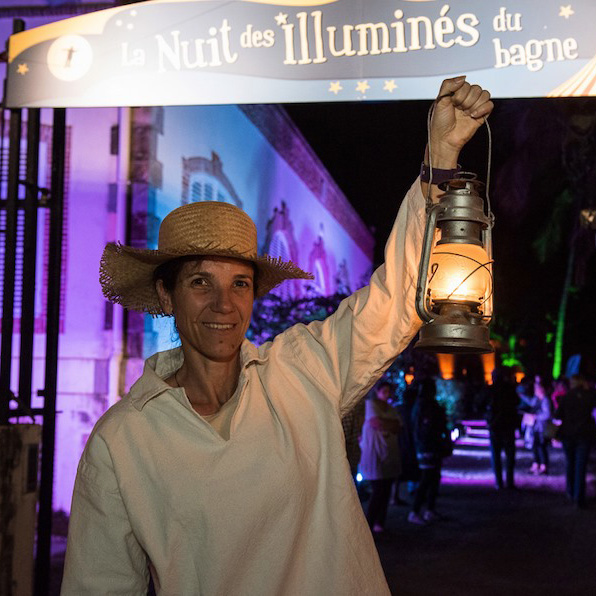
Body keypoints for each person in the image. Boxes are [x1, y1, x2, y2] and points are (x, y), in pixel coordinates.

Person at [61, 77, 493, 595]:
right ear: (167, 295)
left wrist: (440, 156)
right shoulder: (123, 441)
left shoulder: (302, 371)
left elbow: (396, 300)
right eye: (201, 282)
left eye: (239, 283)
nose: (224, 304)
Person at [359, 380, 403, 533]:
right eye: (384, 391)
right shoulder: (371, 405)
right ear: (377, 391)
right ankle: (369, 524)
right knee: (378, 491)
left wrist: (387, 423)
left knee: (385, 490)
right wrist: (389, 423)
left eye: (388, 391)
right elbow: (376, 422)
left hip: (389, 453)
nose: (387, 394)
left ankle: (380, 523)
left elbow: (398, 426)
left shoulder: (391, 408)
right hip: (374, 454)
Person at [408, 378, 451, 524]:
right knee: (427, 479)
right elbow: (427, 427)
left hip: (428, 446)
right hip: (428, 447)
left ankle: (429, 510)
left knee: (433, 478)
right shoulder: (425, 406)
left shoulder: (422, 405)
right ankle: (415, 511)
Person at [555, 374, 596, 508]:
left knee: (570, 463)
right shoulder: (590, 395)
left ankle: (570, 492)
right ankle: (579, 497)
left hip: (568, 434)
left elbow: (558, 414)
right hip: (584, 434)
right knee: (581, 466)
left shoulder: (567, 396)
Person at [485, 366, 520, 489]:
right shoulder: (509, 389)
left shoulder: (490, 389)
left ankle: (498, 482)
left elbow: (481, 403)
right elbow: (516, 402)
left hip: (495, 425)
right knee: (510, 455)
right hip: (508, 424)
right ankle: (509, 482)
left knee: (496, 455)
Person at [521, 376, 553, 475]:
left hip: (541, 427)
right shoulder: (537, 399)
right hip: (534, 427)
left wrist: (535, 416)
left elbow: (547, 414)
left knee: (541, 447)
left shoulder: (545, 400)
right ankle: (536, 464)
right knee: (535, 446)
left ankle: (544, 466)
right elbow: (531, 403)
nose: (535, 390)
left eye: (536, 388)